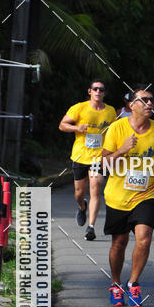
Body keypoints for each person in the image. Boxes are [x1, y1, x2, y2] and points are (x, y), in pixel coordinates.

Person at [101, 86, 154, 307]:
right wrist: (121, 150)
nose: (150, 104)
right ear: (131, 105)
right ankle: (116, 283)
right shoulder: (116, 128)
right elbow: (104, 163)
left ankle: (133, 283)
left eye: (152, 100)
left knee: (144, 238)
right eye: (144, 100)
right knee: (119, 242)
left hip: (145, 195)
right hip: (117, 196)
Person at [59, 79, 116, 241]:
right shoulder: (79, 108)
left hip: (99, 157)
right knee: (79, 193)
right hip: (80, 156)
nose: (98, 91)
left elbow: (114, 132)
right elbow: (62, 125)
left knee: (96, 187)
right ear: (89, 91)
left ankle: (91, 227)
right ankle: (81, 206)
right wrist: (77, 128)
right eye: (95, 89)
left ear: (104, 93)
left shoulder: (111, 111)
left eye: (101, 89)